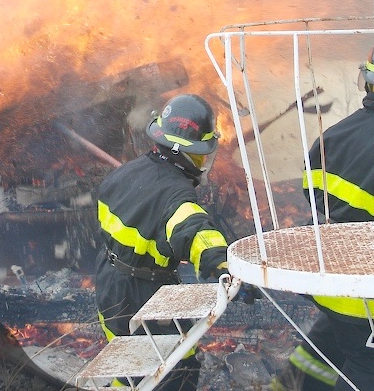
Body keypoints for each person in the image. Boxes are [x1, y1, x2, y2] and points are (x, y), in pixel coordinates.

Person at [271, 36, 374, 391]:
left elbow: (311, 189)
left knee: (333, 340)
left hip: (323, 271)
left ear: (369, 82)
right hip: (363, 289)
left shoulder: (335, 134)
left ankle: (292, 384)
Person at [95, 92, 257, 391]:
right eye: (201, 152)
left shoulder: (125, 173)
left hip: (108, 279)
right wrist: (227, 267)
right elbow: (194, 231)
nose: (204, 160)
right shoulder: (176, 194)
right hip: (146, 295)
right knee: (176, 369)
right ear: (186, 152)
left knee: (127, 365)